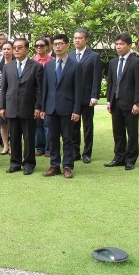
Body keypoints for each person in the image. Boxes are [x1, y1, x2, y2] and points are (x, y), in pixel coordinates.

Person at [41, 34, 82, 179]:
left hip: (68, 108)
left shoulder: (75, 65)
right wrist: (43, 108)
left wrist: (77, 110)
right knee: (52, 138)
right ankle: (54, 165)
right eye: (55, 44)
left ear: (67, 45)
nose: (57, 46)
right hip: (51, 108)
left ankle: (67, 166)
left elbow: (78, 90)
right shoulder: (49, 65)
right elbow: (45, 88)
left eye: (60, 44)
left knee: (68, 139)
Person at [0, 38, 43, 175]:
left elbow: (39, 89)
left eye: (20, 47)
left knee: (29, 137)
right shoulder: (8, 67)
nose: (16, 50)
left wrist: (38, 107)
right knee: (14, 137)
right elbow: (4, 88)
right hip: (11, 107)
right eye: (15, 47)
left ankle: (29, 163)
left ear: (27, 49)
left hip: (29, 108)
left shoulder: (36, 66)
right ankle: (15, 163)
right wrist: (2, 106)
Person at [104, 33, 139, 171]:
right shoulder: (114, 62)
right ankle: (119, 157)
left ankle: (130, 159)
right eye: (116, 44)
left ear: (129, 45)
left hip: (130, 103)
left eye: (121, 44)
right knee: (118, 132)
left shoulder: (136, 62)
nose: (118, 47)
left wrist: (137, 103)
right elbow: (111, 83)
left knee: (132, 132)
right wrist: (109, 100)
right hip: (115, 102)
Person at [69, 28, 102, 164]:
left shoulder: (94, 56)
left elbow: (96, 78)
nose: (77, 40)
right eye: (75, 38)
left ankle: (87, 153)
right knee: (73, 126)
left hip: (87, 97)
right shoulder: (69, 55)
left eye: (80, 38)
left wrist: (95, 96)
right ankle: (75, 151)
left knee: (87, 126)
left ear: (86, 39)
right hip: (72, 98)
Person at [32, 36, 52, 157]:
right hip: (36, 96)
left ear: (47, 47)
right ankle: (39, 147)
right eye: (37, 46)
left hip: (49, 95)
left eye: (42, 46)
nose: (39, 48)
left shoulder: (52, 61)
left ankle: (49, 148)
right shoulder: (31, 61)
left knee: (48, 124)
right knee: (38, 123)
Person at [0, 41, 13, 155]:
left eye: (8, 49)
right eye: (4, 49)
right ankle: (5, 145)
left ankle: (12, 146)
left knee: (12, 123)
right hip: (1, 97)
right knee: (3, 123)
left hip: (13, 97)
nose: (6, 51)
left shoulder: (16, 64)